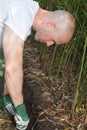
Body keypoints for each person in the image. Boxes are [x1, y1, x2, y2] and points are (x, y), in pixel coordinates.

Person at [0, 0, 75, 129]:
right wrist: (20, 108)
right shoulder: (22, 15)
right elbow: (12, 67)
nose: (48, 44)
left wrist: (5, 95)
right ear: (51, 25)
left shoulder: (27, 10)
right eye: (53, 40)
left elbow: (10, 59)